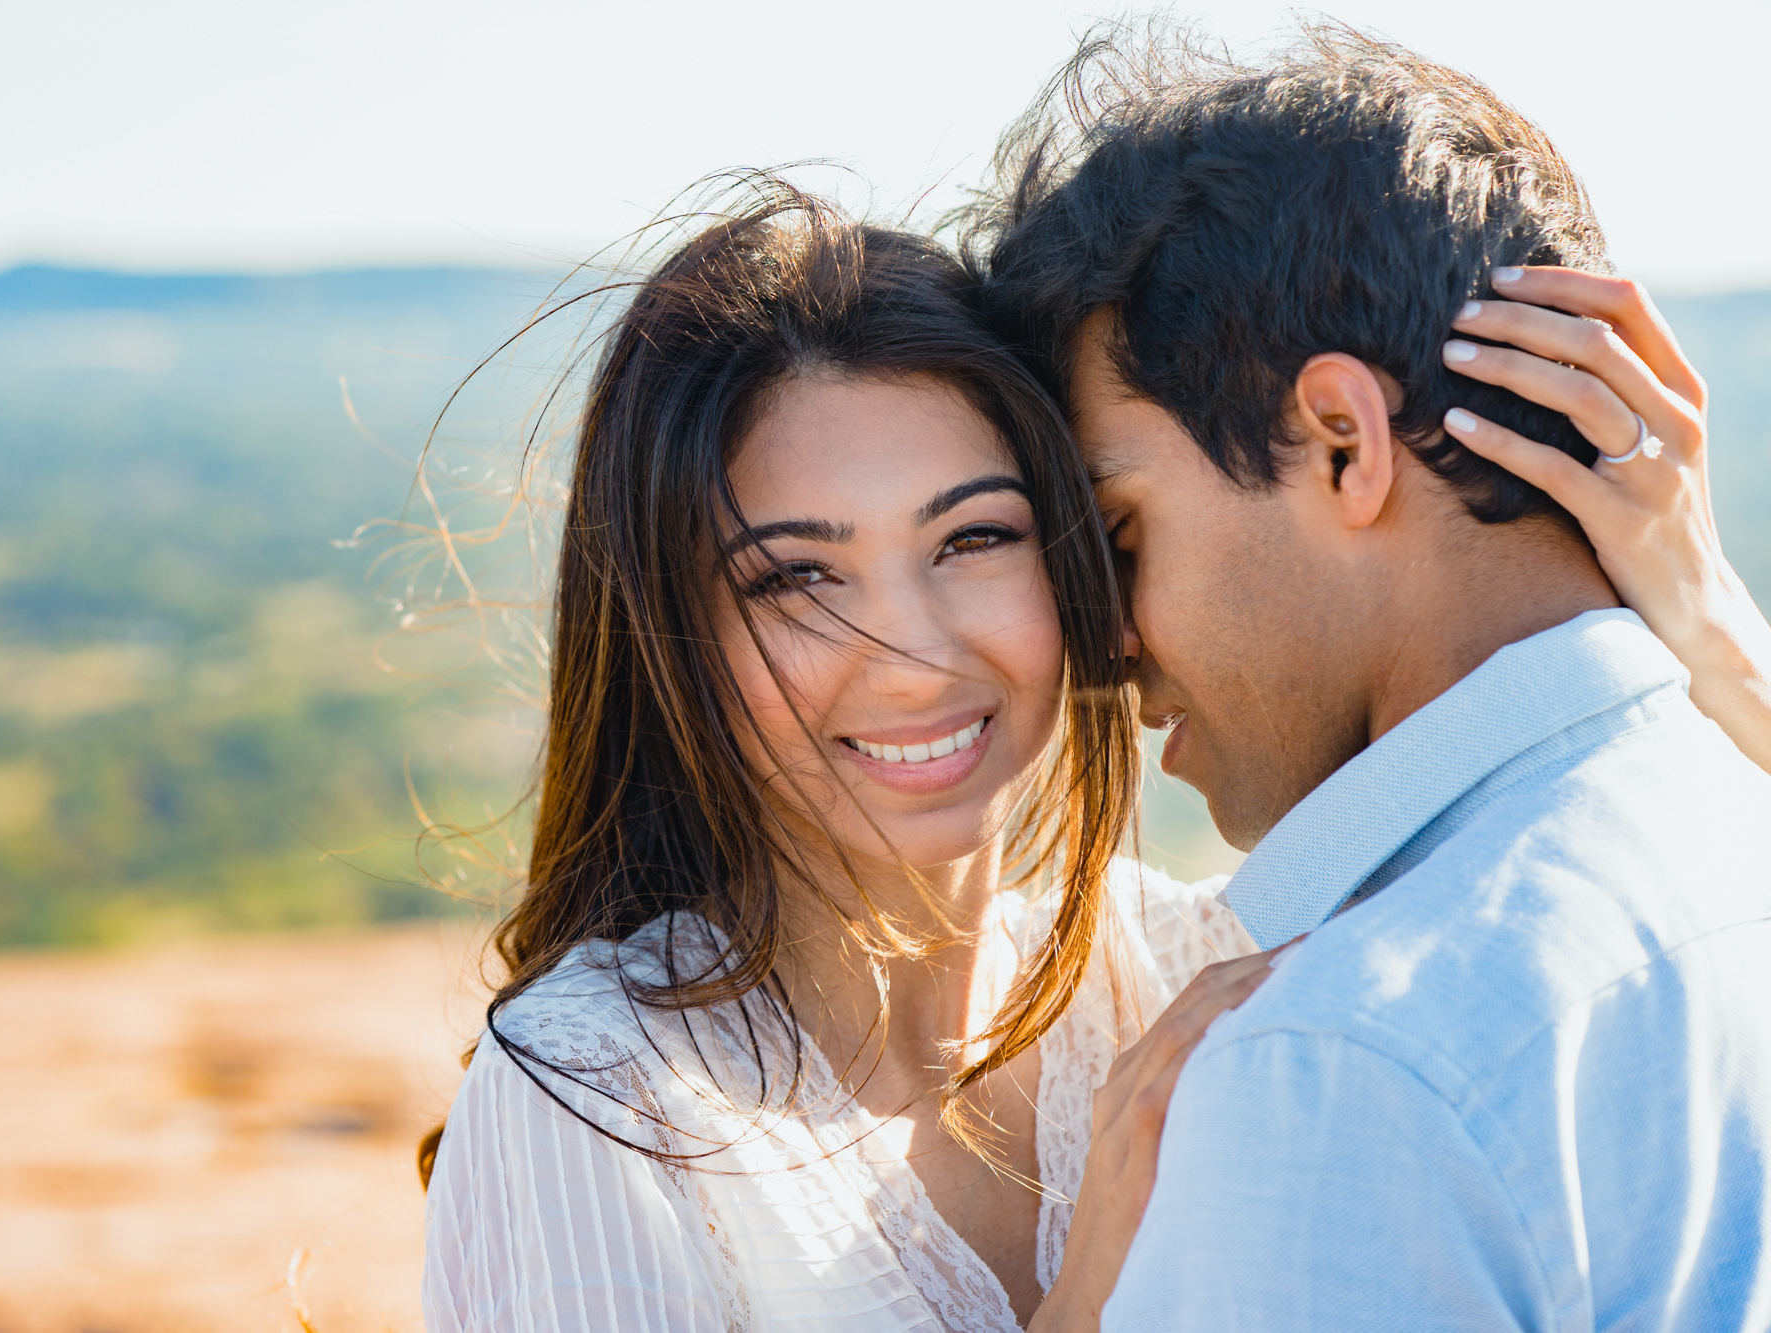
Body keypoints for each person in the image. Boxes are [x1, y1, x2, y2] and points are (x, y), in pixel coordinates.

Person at [969, 24, 1771, 1329]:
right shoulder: (1735, 821)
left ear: (1342, 443)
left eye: (1122, 537)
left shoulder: (1336, 1072)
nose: (1099, 645)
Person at [422, 194, 1273, 1333]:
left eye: (973, 538)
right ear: (672, 645)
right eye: (796, 579)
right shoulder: (598, 1094)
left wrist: (1596, 592)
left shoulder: (1197, 968)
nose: (914, 662)